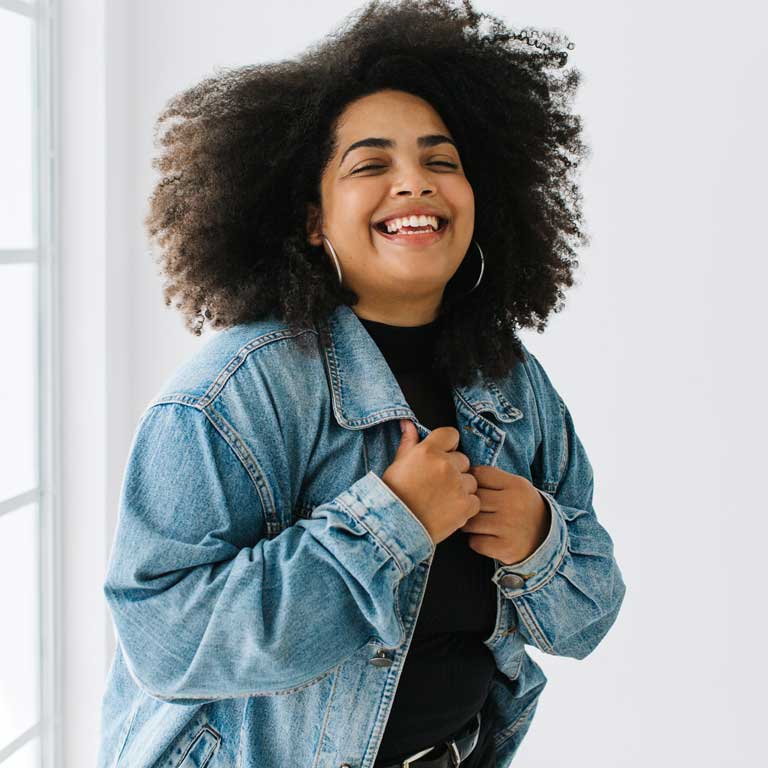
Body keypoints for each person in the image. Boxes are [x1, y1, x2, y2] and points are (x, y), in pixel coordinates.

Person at [97, 1, 626, 766]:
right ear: (314, 219)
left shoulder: (512, 385)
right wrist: (391, 524)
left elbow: (589, 615)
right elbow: (168, 643)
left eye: (441, 161)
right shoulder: (233, 394)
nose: (414, 183)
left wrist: (540, 540)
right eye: (371, 165)